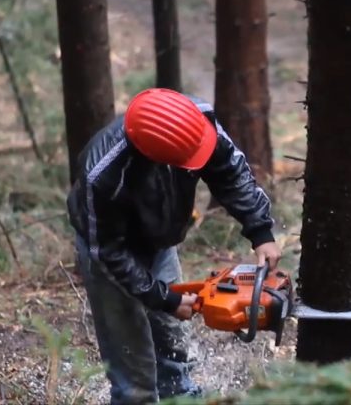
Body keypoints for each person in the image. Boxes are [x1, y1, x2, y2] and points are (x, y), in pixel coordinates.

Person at [66, 88, 281, 404]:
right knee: (133, 368)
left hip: (159, 242)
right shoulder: (104, 175)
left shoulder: (196, 121)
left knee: (172, 341)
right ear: (153, 157)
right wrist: (162, 298)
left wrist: (261, 230)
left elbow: (230, 171)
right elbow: (108, 250)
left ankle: (177, 394)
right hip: (111, 255)